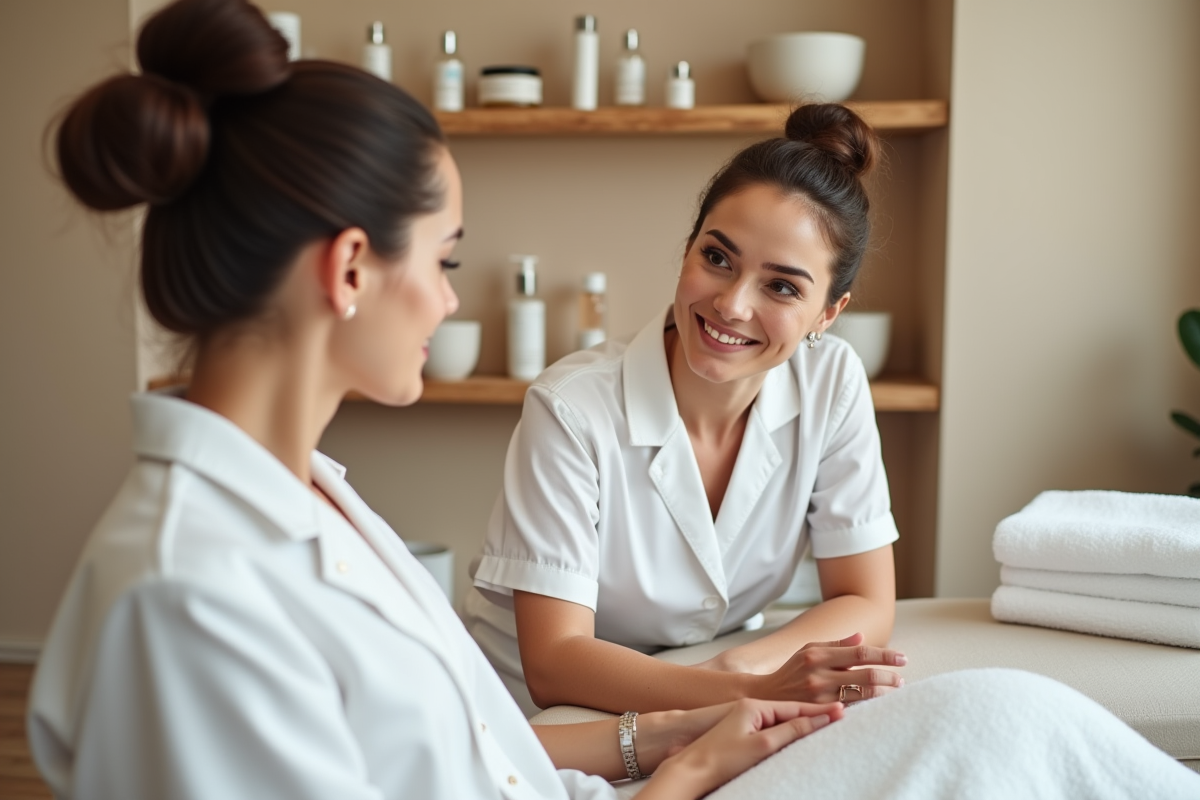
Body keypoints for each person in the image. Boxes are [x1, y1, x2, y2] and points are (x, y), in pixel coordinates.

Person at [26, 2, 1200, 799]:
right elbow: (533, 687)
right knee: (994, 732)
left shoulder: (318, 503)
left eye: (783, 284)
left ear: (828, 311)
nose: (450, 297)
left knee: (1004, 714)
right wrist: (685, 762)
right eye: (446, 256)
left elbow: (479, 755)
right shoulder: (188, 599)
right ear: (348, 270)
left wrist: (680, 738)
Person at [465, 102, 905, 717]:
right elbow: (555, 661)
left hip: (712, 688)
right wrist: (745, 691)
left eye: (781, 286)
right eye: (717, 258)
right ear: (688, 249)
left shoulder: (832, 382)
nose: (731, 305)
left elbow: (866, 599)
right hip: (537, 719)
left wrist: (741, 668)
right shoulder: (571, 408)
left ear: (828, 314)